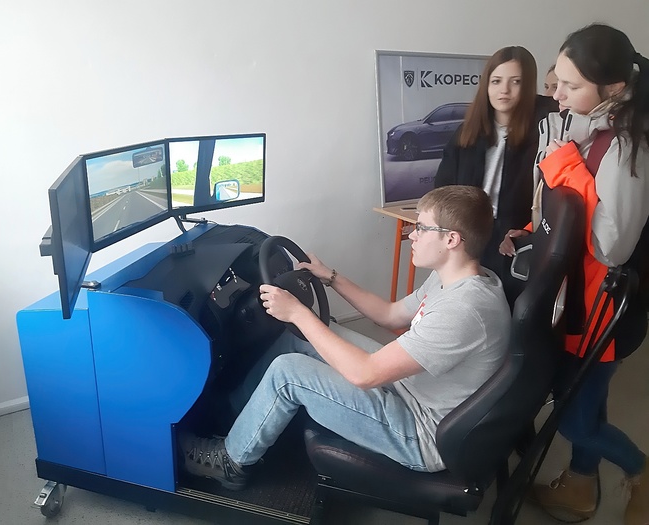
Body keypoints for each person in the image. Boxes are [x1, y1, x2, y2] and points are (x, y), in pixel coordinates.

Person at [180, 185, 510, 490]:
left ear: (451, 239)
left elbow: (365, 374)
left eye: (422, 228)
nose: (412, 235)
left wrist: (297, 312)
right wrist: (331, 277)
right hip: (413, 389)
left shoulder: (464, 309)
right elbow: (390, 314)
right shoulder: (455, 278)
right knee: (300, 338)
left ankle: (231, 461)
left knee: (288, 372)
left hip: (421, 432)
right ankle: (236, 416)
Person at [499, 24, 649, 525]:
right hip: (577, 299)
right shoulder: (589, 131)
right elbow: (568, 213)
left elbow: (611, 246)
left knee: (575, 418)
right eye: (557, 81)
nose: (556, 94)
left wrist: (564, 166)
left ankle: (641, 470)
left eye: (570, 85)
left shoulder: (626, 147)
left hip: (604, 307)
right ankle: (582, 485)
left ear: (614, 89)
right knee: (587, 402)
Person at [434, 46, 557, 309]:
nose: (504, 90)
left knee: (505, 308)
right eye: (497, 81)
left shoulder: (543, 131)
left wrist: (528, 232)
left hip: (514, 240)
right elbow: (442, 190)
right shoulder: (466, 133)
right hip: (468, 235)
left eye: (516, 82)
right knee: (461, 305)